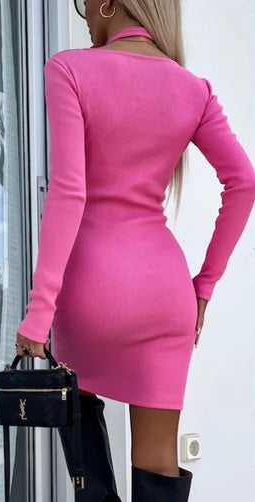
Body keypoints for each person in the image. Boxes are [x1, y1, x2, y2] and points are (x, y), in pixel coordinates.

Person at [15, 1, 255, 501]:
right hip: (166, 294)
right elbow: (244, 182)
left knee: (87, 463)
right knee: (159, 462)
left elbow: (68, 193)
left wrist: (39, 313)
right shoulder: (194, 89)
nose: (85, 15)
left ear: (108, 3)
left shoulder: (69, 69)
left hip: (89, 289)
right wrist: (203, 287)